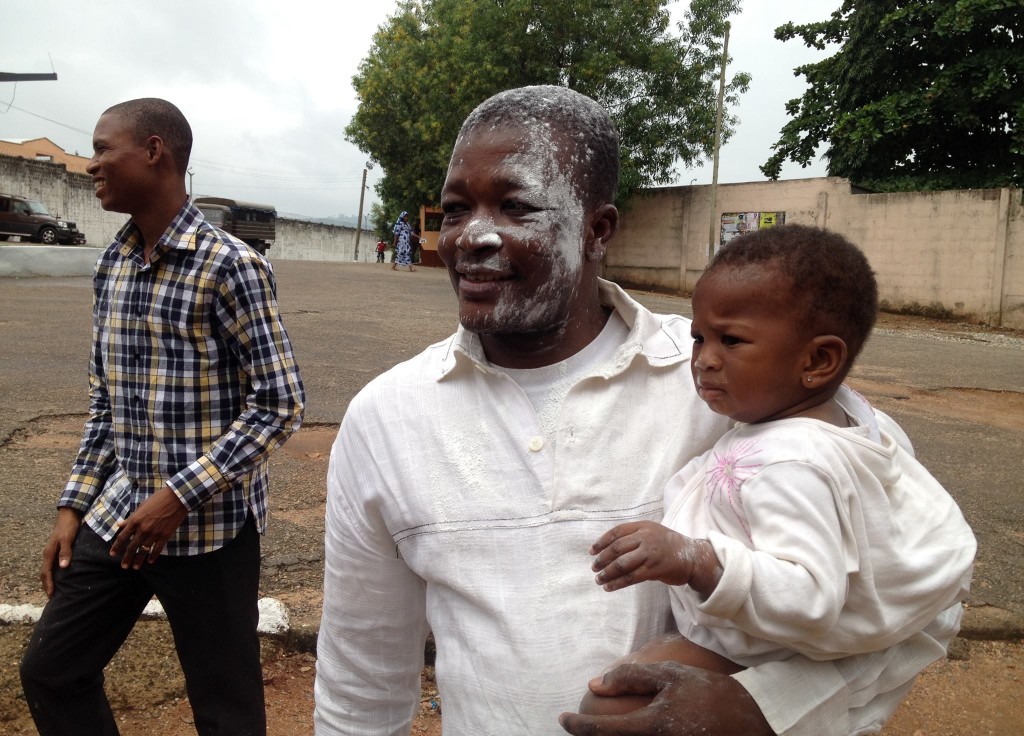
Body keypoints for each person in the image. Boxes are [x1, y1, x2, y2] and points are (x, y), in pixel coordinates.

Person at [313, 85, 954, 736]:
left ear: (599, 230)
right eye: (456, 209)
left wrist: (765, 710)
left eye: (516, 206)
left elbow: (928, 590)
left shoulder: (733, 385)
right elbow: (360, 687)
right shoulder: (386, 420)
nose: (472, 237)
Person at [577, 224, 976, 723]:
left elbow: (810, 597)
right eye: (699, 337)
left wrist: (696, 560)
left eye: (731, 340)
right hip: (773, 639)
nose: (703, 360)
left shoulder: (791, 462)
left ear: (818, 361)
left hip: (765, 648)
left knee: (610, 704)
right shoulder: (848, 418)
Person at [19, 98, 305, 736]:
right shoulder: (112, 266)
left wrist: (178, 496)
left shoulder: (231, 265)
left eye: (103, 149)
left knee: (226, 712)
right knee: (51, 670)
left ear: (155, 152)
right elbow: (106, 402)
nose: (91, 165)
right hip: (122, 516)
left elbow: (280, 404)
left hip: (213, 532)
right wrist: (73, 505)